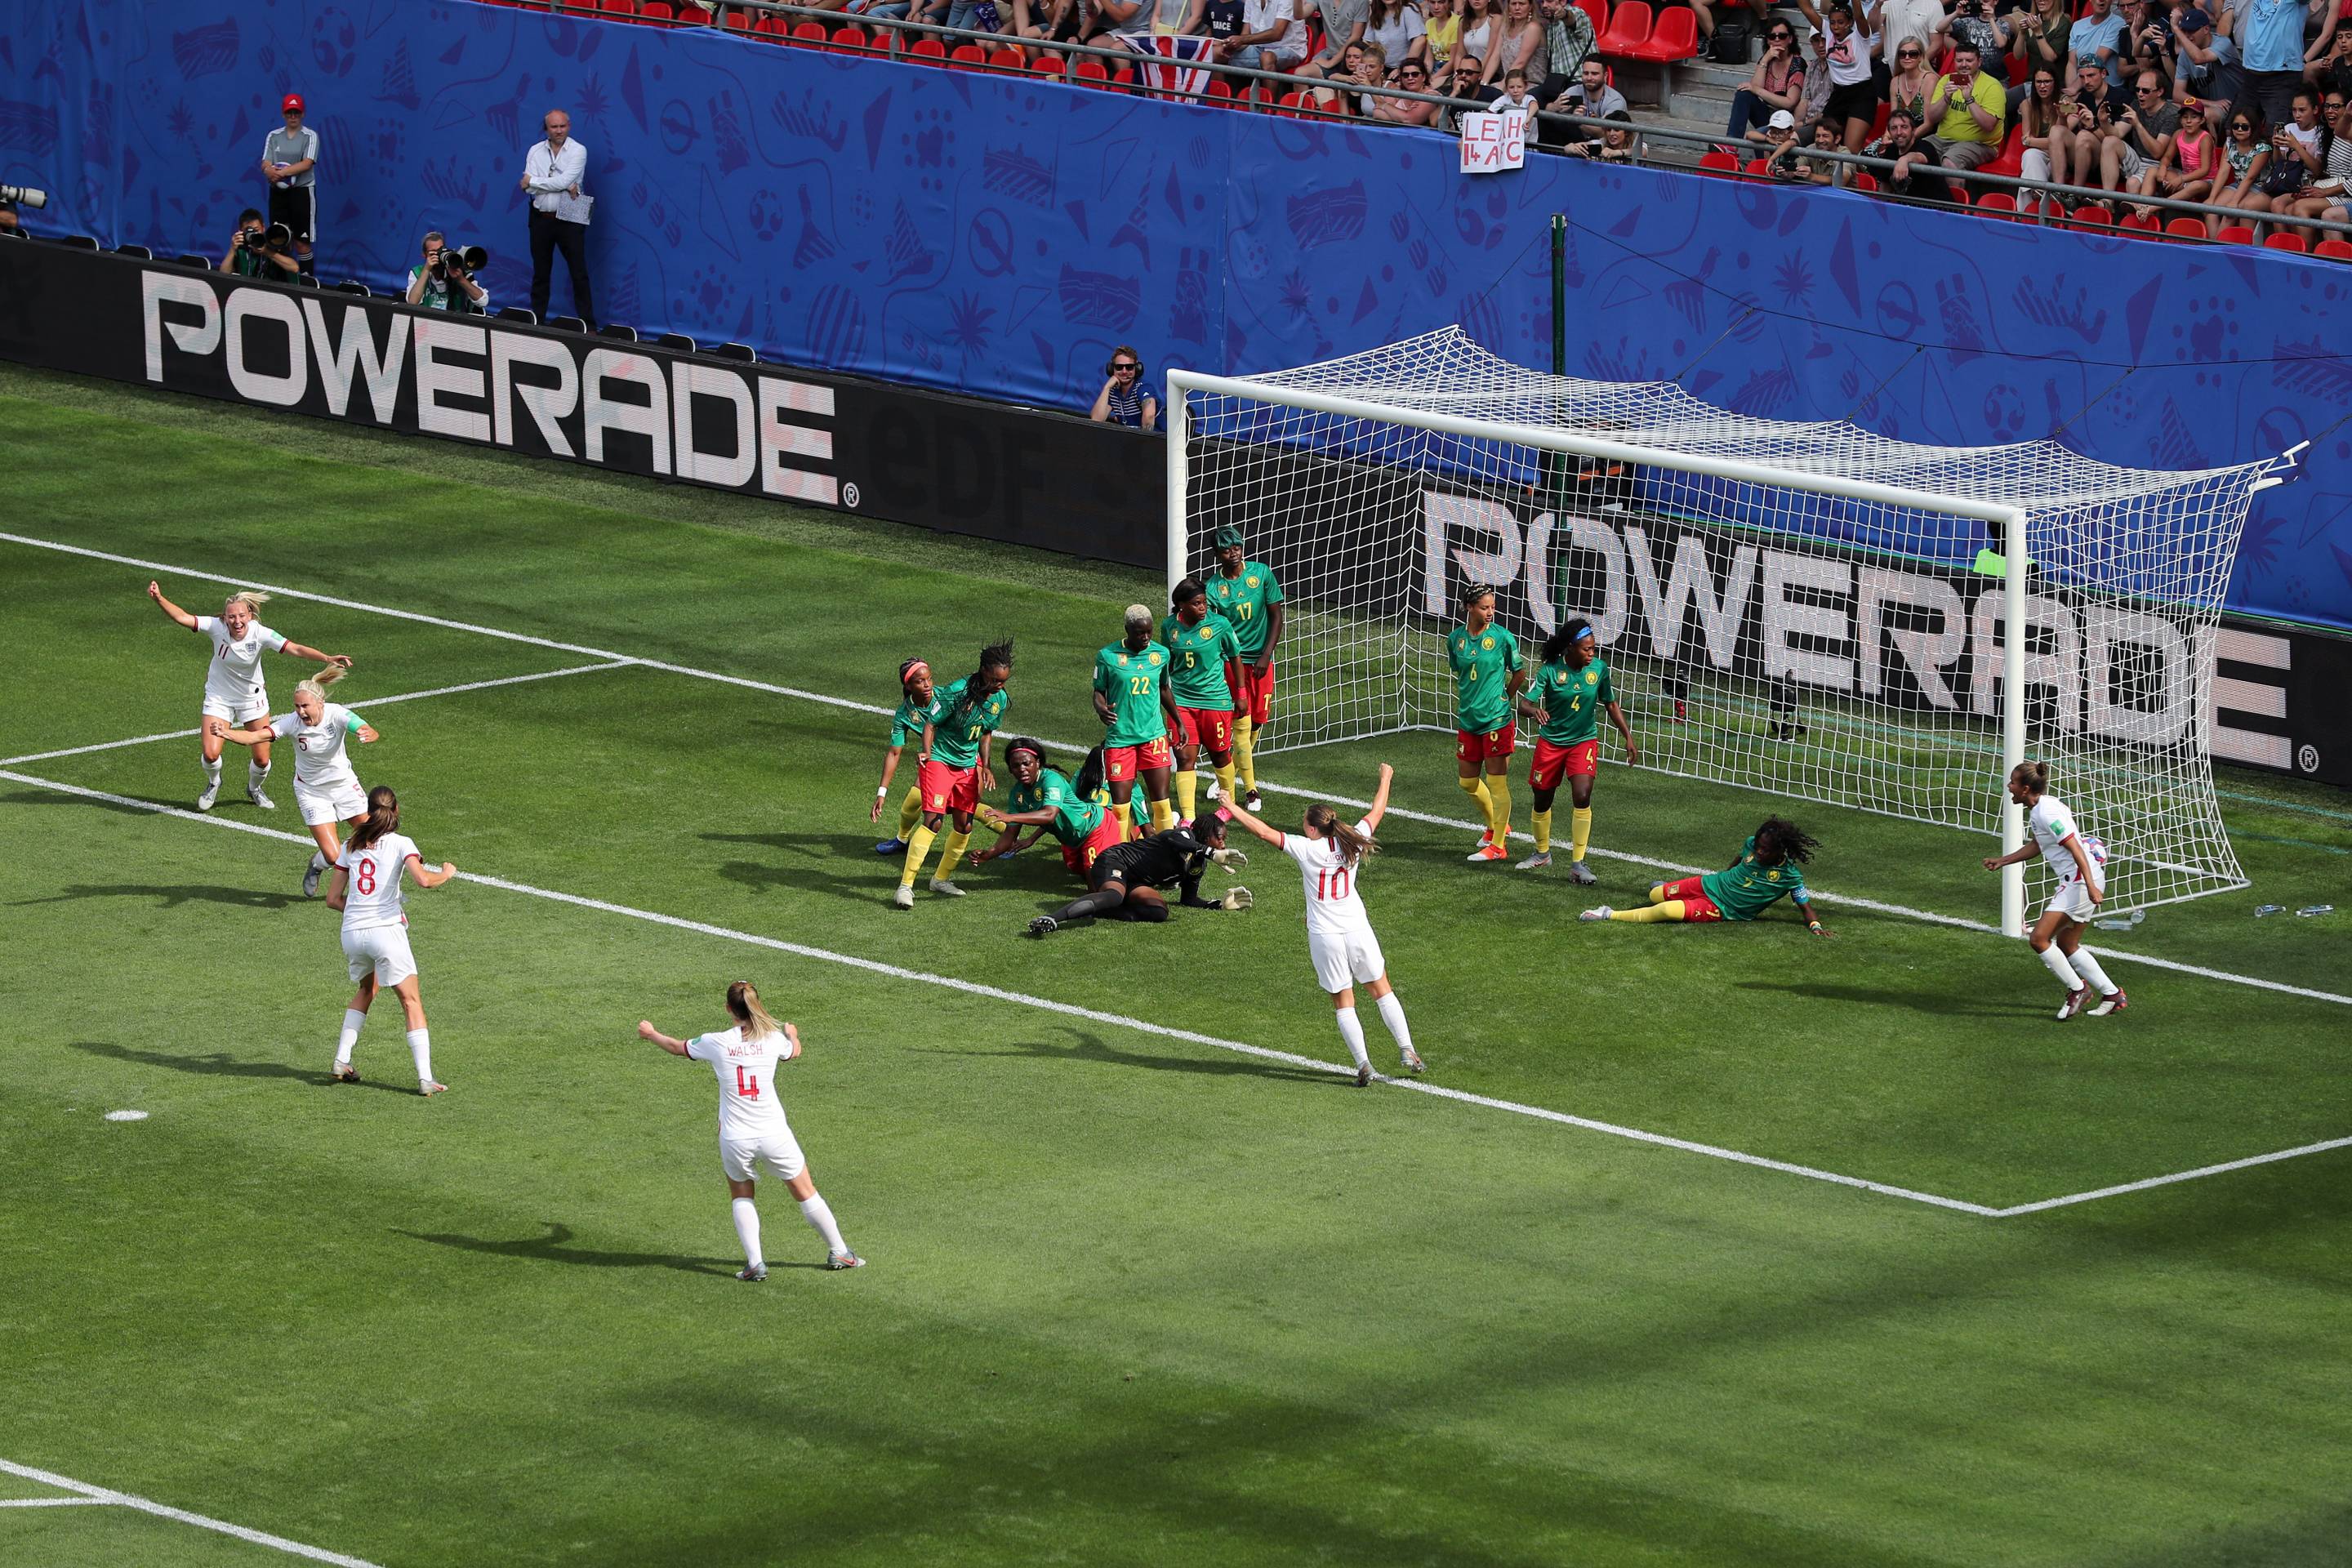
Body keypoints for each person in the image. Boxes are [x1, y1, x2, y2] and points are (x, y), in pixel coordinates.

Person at [635, 981, 864, 1278]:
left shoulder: (716, 1042)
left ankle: (755, 1264)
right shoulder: (772, 1039)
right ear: (756, 1005)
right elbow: (794, 1052)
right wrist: (792, 1034)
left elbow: (677, 1048)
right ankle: (839, 1251)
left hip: (735, 1137)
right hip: (774, 1134)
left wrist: (651, 1034)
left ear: (728, 1009)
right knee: (806, 1192)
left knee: (742, 1195)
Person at [1221, 765, 1423, 1085]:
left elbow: (1264, 832)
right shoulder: (1353, 839)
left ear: (1313, 829)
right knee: (1381, 989)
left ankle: (1364, 1065)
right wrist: (1385, 778)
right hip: (1357, 929)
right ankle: (1408, 1050)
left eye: (1304, 824)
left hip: (1324, 935)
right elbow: (1377, 811)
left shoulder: (1306, 849)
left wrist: (1231, 807)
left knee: (1344, 1001)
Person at [145, 581, 352, 812]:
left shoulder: (261, 634)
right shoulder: (216, 627)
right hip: (219, 698)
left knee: (262, 759)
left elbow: (294, 648)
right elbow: (183, 617)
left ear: (250, 616)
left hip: (252, 700)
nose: (237, 621)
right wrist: (159, 598)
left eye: (242, 616)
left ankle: (254, 788)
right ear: (225, 618)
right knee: (211, 753)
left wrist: (326, 658)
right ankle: (214, 783)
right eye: (232, 617)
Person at [324, 786, 457, 1094]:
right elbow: (423, 880)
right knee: (411, 1001)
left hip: (352, 933)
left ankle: (342, 1060)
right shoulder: (401, 843)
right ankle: (425, 1078)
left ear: (368, 811)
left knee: (367, 989)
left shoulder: (350, 845)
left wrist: (359, 911)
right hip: (386, 932)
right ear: (396, 810)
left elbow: (332, 899)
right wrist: (447, 873)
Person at [1980, 762, 2126, 1018]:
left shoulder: (2046, 813)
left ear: (2026, 789)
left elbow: (2075, 848)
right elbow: (2038, 845)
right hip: (2082, 880)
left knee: (2038, 939)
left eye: (2013, 782)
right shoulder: (2043, 808)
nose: (2009, 786)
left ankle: (2078, 989)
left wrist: (2091, 886)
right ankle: (2113, 995)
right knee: (2068, 943)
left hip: (2080, 882)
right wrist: (2003, 861)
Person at [220, 666, 377, 898]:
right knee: (333, 856)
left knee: (373, 837)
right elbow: (255, 736)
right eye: (297, 706)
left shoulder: (336, 714)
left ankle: (375, 885)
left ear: (320, 703)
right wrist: (227, 733)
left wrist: (367, 732)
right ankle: (316, 864)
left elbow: (361, 725)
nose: (300, 712)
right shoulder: (291, 723)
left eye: (305, 706)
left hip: (344, 785)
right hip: (311, 792)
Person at [1510, 617, 1636, 881]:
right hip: (1551, 744)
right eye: (1586, 649)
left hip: (1583, 741)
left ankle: (1578, 863)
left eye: (1593, 649)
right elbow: (1524, 705)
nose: (1592, 654)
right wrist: (1535, 711)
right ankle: (1542, 854)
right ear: (1570, 648)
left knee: (1582, 794)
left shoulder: (1599, 670)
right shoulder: (1550, 671)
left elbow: (1611, 704)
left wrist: (1628, 736)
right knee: (1542, 799)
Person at [894, 638, 1014, 907]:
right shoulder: (956, 692)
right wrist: (927, 752)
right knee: (934, 821)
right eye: (995, 680)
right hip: (940, 760)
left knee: (964, 825)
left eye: (1003, 681)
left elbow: (986, 732)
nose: (1000, 686)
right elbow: (930, 724)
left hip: (967, 765)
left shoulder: (999, 699)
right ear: (983, 671)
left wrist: (986, 766)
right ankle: (905, 887)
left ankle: (940, 880)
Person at [1580, 817, 1832, 933]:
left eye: (1765, 850)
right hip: (1710, 883)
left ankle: (1608, 913)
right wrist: (1727, 873)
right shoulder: (1751, 844)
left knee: (1666, 911)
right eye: (1758, 846)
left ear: (1780, 849)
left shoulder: (1790, 877)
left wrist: (1816, 926)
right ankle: (1664, 890)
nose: (1758, 851)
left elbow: (1805, 907)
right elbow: (1739, 859)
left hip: (1722, 908)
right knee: (1657, 895)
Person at [1026, 816, 1254, 934]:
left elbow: (1188, 899)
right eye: (1220, 839)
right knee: (1113, 896)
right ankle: (1053, 919)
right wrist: (1211, 852)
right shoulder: (1184, 835)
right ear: (1204, 836)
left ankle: (1096, 909)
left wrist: (1217, 905)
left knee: (1159, 912)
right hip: (1115, 861)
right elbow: (1174, 840)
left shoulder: (1197, 865)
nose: (1223, 844)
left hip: (1134, 880)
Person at [1207, 523, 1284, 812]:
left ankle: (1231, 771)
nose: (1234, 553)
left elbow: (1276, 616)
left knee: (1258, 721)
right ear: (1217, 555)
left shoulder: (1261, 573)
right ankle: (1249, 788)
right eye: (1227, 550)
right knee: (1241, 721)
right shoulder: (1213, 588)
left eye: (1237, 547)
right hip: (1234, 663)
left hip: (1262, 662)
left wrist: (1266, 655)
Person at [1160, 578, 1245, 829]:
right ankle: (1189, 816)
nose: (1203, 608)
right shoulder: (1169, 627)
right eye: (1197, 603)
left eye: (1204, 602)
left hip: (1215, 701)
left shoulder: (1220, 625)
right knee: (1184, 757)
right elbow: (1166, 662)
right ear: (1181, 605)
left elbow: (1235, 656)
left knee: (1220, 754)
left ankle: (1229, 806)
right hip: (1182, 702)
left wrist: (1240, 693)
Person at [972, 737, 1124, 876]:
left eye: (1027, 763)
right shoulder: (1017, 794)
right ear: (1010, 769)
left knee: (1098, 881)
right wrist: (989, 854)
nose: (1022, 769)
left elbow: (1050, 815)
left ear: (1037, 763)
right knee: (1085, 874)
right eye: (1016, 766)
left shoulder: (1051, 780)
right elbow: (1010, 834)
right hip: (1073, 840)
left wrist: (1010, 817)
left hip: (1096, 827)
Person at [1450, 584, 1526, 862]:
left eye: (1493, 607)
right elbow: (1460, 671)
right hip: (1469, 719)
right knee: (1468, 781)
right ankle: (1497, 825)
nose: (1490, 612)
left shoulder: (1503, 638)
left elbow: (1519, 673)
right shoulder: (1455, 639)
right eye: (1484, 607)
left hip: (1496, 719)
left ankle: (1498, 846)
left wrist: (1505, 697)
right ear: (1469, 608)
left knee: (1497, 782)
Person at [1093, 604, 1182, 841]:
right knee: (1121, 808)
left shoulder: (1161, 654)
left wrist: (1178, 722)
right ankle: (1120, 857)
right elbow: (1098, 691)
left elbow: (1163, 689)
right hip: (1121, 740)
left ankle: (1166, 856)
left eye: (1149, 632)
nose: (1145, 637)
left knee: (1162, 803)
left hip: (1153, 736)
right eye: (1139, 633)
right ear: (1127, 630)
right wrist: (1101, 708)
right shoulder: (1108, 656)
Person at [519, 109, 595, 329]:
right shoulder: (535, 151)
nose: (559, 130)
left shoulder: (578, 150)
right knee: (540, 272)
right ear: (546, 129)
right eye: (554, 127)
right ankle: (537, 321)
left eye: (563, 126)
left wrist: (534, 180)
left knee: (578, 272)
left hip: (571, 218)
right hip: (541, 217)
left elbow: (548, 182)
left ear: (569, 126)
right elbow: (527, 190)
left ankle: (589, 325)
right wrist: (560, 185)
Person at [874, 657, 944, 857]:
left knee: (973, 810)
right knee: (912, 802)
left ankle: (1011, 839)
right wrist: (881, 793)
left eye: (929, 679)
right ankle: (902, 840)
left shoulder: (945, 697)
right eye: (920, 681)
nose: (928, 684)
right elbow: (894, 753)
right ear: (909, 685)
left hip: (962, 757)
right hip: (936, 759)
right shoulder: (905, 713)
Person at [259, 93, 319, 276]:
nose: (293, 116)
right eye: (289, 112)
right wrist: (269, 171)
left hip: (302, 192)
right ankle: (279, 280)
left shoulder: (310, 136)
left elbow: (307, 163)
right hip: (278, 192)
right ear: (283, 114)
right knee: (278, 238)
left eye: (296, 112)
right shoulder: (274, 136)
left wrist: (282, 173)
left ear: (303, 114)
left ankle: (306, 281)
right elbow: (266, 162)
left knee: (302, 242)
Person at [1928, 40, 2009, 170]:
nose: (1964, 65)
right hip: (1941, 140)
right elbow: (1932, 118)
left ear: (1979, 62)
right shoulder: (1946, 80)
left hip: (1980, 145)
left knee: (1950, 162)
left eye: (1969, 61)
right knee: (1914, 153)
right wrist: (1946, 98)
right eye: (1959, 61)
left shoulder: (1992, 86)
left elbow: (1989, 126)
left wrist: (1969, 99)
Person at [2132, 96, 2221, 211]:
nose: (2188, 121)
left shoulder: (2205, 138)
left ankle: (2154, 208)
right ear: (2180, 120)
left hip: (2206, 183)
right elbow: (2167, 157)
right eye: (2185, 117)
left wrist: (2181, 179)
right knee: (2152, 170)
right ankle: (2142, 206)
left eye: (2194, 117)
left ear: (2202, 120)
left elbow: (2204, 170)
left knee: (2196, 185)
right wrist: (2163, 168)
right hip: (2186, 177)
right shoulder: (2178, 134)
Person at [1727, 19, 1811, 140]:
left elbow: (1790, 103)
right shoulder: (1767, 59)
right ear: (1767, 40)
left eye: (1782, 36)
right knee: (1744, 94)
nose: (1777, 39)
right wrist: (1765, 60)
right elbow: (1753, 89)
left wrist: (1756, 90)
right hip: (1766, 116)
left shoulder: (1797, 64)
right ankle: (1731, 142)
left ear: (1790, 39)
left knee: (1758, 135)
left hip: (1785, 121)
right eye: (1772, 36)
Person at [2207, 104, 2277, 230]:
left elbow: (2250, 178)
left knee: (2231, 213)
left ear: (2253, 128)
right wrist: (2211, 198)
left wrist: (2234, 201)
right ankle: (2213, 242)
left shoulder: (2262, 148)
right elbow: (2223, 172)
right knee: (2210, 211)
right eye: (2236, 126)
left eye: (2244, 127)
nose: (2239, 130)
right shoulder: (2230, 143)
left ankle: (2224, 242)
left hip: (2260, 187)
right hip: (2238, 184)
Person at [1870, 106, 1961, 199]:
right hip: (1907, 207)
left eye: (1904, 127)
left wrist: (1904, 159)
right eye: (1894, 128)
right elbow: (1885, 188)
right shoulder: (1891, 150)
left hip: (1937, 207)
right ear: (1889, 132)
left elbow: (1920, 157)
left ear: (1913, 130)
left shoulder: (1925, 146)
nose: (1899, 132)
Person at [1214, 0, 1308, 74]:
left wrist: (1241, 40)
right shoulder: (1250, 1)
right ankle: (1220, 93)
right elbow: (1245, 36)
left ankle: (1268, 95)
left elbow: (1277, 34)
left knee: (1266, 57)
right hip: (1258, 48)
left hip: (1290, 49)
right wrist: (1227, 44)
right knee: (1216, 53)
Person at [404, 232, 489, 314]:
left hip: (455, 321)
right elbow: (412, 303)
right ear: (424, 254)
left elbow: (483, 302)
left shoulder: (458, 269)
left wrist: (461, 280)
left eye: (440, 250)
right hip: (425, 321)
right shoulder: (418, 272)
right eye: (433, 252)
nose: (438, 255)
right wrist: (426, 270)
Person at [1090, 346, 1157, 429]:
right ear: (1111, 369)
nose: (1124, 371)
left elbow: (1149, 416)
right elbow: (1096, 420)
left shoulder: (1143, 388)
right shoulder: (1113, 391)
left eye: (1129, 367)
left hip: (1156, 437)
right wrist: (1107, 388)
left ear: (1137, 368)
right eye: (1119, 367)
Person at [2070, 0, 2128, 89]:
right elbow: (2071, 63)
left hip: (2111, 90)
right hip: (2082, 89)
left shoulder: (2119, 24)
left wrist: (2074, 88)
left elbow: (2097, 59)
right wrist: (2070, 90)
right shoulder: (2077, 26)